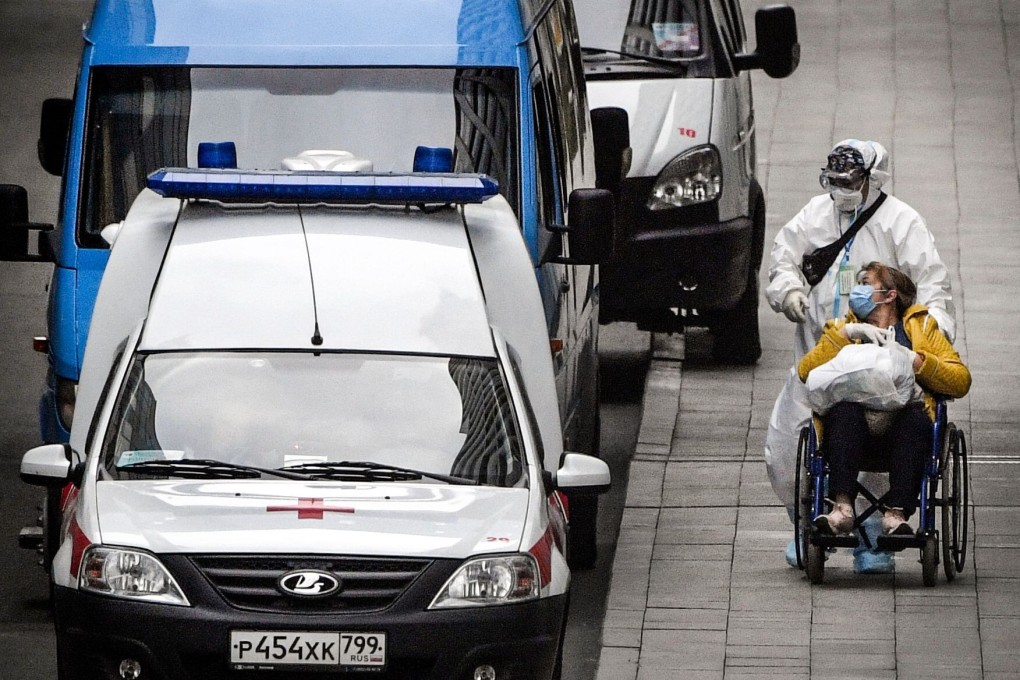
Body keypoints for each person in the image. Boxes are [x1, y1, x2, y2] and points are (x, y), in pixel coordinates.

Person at [765, 139, 956, 572]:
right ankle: (808, 521)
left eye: (850, 180)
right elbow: (783, 261)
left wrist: (933, 332)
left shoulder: (901, 223)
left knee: (887, 431)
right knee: (786, 446)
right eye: (835, 181)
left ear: (872, 179)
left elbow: (931, 282)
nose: (842, 189)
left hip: (886, 358)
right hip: (824, 350)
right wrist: (790, 293)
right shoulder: (814, 216)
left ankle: (873, 538)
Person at [799, 262, 971, 536]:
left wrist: (916, 361)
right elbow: (806, 371)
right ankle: (841, 508)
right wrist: (848, 334)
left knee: (916, 419)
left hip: (902, 432)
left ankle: (896, 513)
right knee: (843, 411)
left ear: (890, 295)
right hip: (853, 431)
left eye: (866, 283)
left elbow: (961, 380)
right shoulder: (843, 328)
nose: (858, 290)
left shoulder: (922, 328)